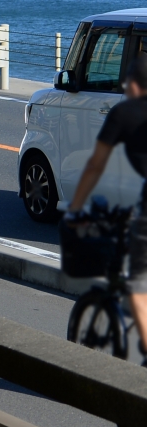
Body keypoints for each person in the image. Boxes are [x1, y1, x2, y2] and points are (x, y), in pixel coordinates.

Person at [64, 54, 147, 340]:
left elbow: (95, 164)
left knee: (137, 288)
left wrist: (75, 207)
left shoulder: (126, 113)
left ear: (134, 85)